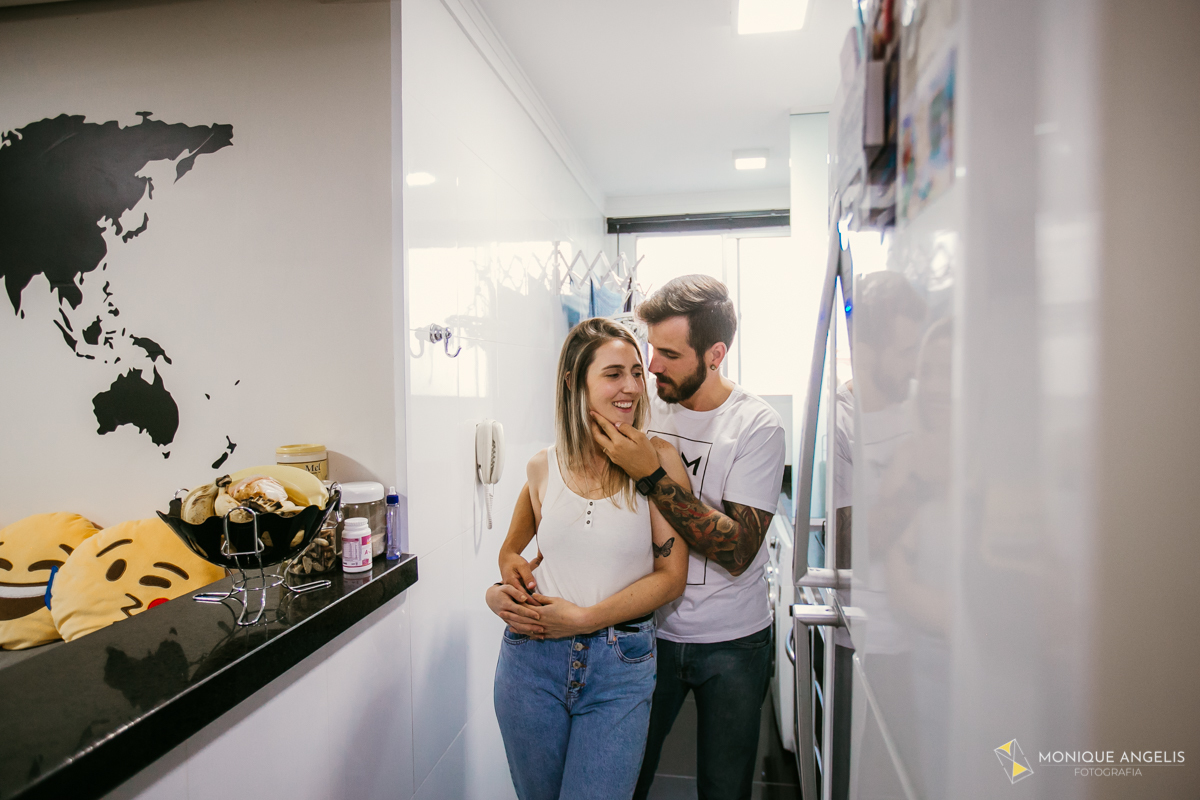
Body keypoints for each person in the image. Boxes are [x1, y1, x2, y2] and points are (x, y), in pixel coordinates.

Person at [492, 275, 786, 800]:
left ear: (714, 355)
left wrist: (649, 474)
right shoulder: (640, 407)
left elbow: (738, 551)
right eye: (646, 353)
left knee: (723, 785)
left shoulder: (755, 427)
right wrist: (505, 580)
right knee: (629, 782)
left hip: (728, 638)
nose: (647, 373)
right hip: (647, 635)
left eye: (666, 355)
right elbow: (531, 537)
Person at [488, 317, 692, 800]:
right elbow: (513, 554)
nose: (632, 388)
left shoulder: (658, 460)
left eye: (637, 373)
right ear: (573, 382)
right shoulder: (543, 466)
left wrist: (582, 619)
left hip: (619, 664)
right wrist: (501, 589)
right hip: (530, 664)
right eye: (613, 373)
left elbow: (671, 578)